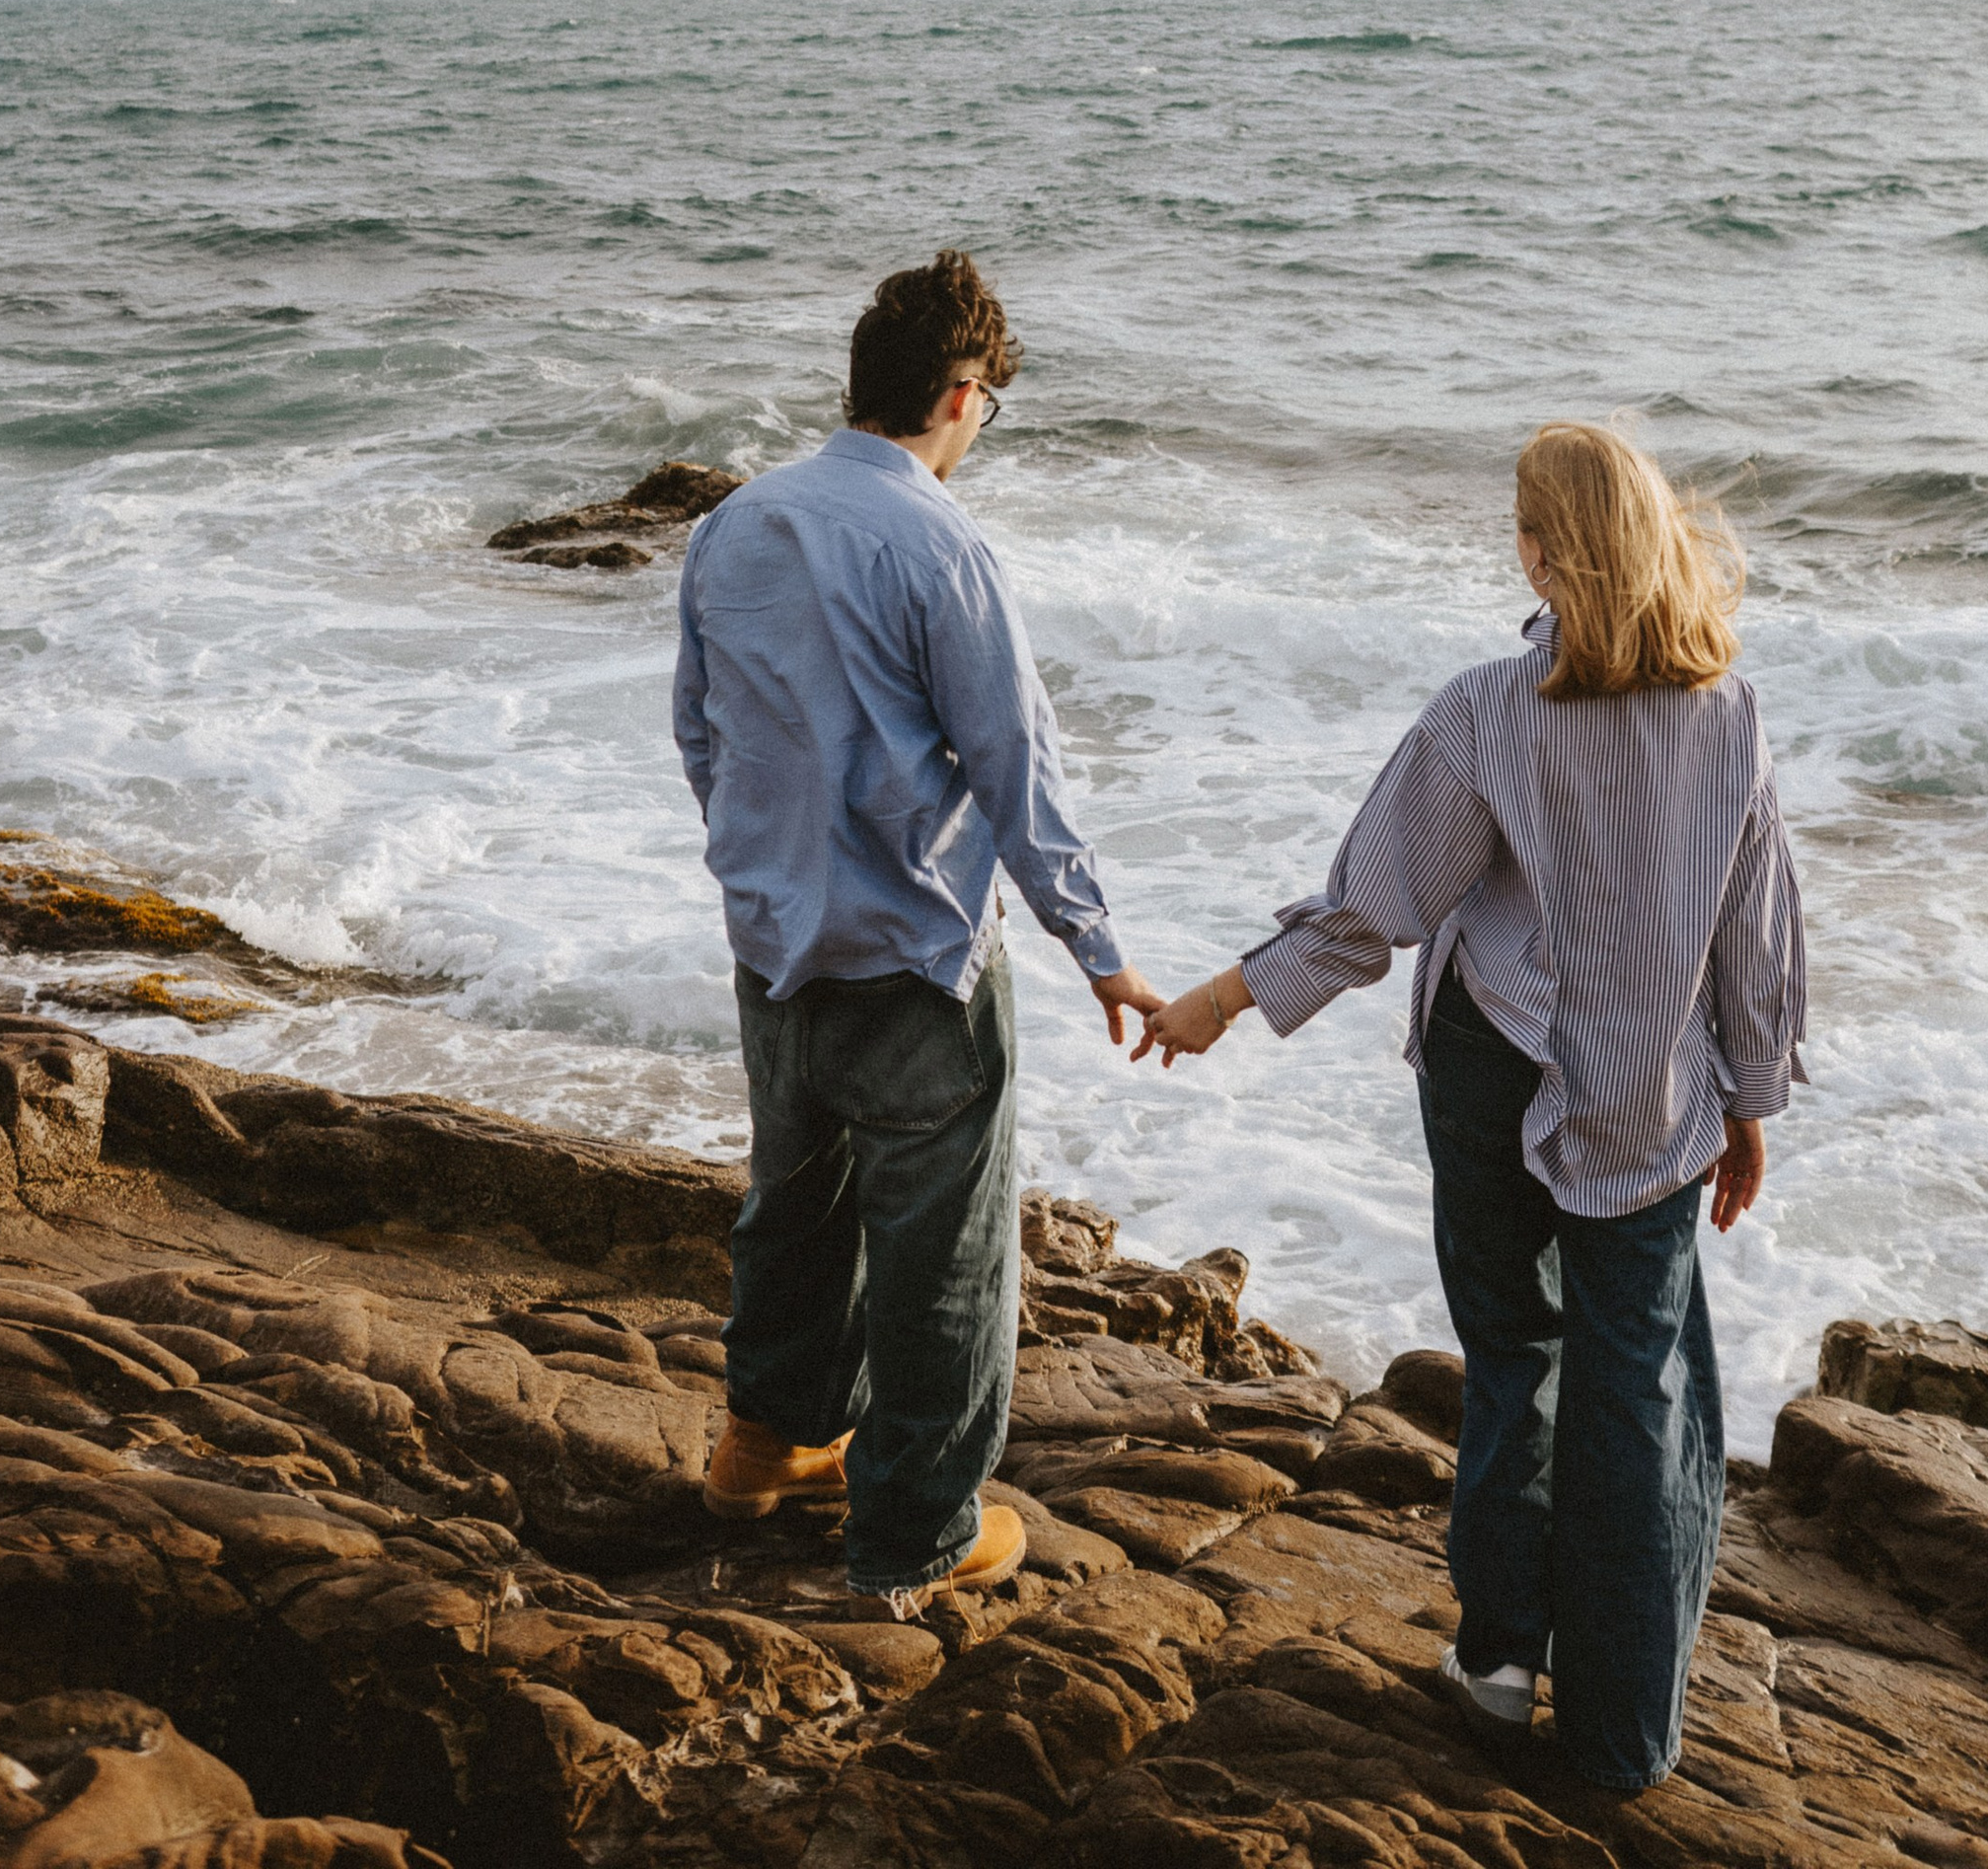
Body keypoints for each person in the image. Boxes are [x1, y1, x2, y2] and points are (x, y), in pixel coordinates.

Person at [1140, 421, 1805, 1798]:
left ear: (1542, 553)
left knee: (1514, 1353)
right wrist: (1749, 1100)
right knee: (1639, 1388)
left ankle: (1501, 1667)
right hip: (1652, 1098)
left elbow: (1371, 910)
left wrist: (1219, 1001)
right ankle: (1625, 1736)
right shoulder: (1728, 711)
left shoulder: (1490, 709)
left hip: (1493, 1061)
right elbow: (1759, 936)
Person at [673, 249, 1161, 1617]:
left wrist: (758, 879)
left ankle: (763, 1446)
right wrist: (1096, 946)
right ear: (960, 394)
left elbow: (700, 730)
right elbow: (1017, 768)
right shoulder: (939, 544)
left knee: (797, 1202)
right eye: (988, 410)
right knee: (944, 1250)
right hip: (915, 954)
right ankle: (914, 1536)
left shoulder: (737, 524)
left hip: (776, 946)